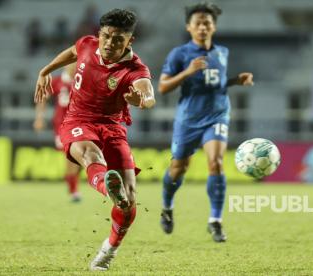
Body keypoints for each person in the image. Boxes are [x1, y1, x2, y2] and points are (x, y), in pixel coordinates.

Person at [33, 9, 155, 270]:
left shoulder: (135, 69)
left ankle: (108, 250)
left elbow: (148, 93)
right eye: (106, 36)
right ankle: (106, 185)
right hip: (77, 121)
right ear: (99, 34)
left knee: (130, 201)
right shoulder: (87, 43)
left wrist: (142, 101)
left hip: (112, 128)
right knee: (89, 155)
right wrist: (46, 69)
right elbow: (72, 52)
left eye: (118, 39)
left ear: (129, 41)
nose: (110, 43)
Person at [158, 2, 254, 243]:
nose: (203, 27)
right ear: (189, 27)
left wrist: (234, 81)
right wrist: (187, 72)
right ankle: (167, 207)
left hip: (218, 115)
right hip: (188, 119)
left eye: (207, 23)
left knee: (216, 162)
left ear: (214, 27)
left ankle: (215, 221)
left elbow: (216, 82)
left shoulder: (222, 52)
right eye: (198, 23)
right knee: (178, 169)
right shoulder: (179, 54)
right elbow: (162, 87)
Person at [33, 63, 82, 202]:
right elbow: (42, 98)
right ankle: (74, 190)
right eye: (71, 65)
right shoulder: (57, 81)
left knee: (77, 159)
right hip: (62, 126)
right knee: (71, 157)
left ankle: (72, 185)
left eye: (76, 65)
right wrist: (39, 118)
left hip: (80, 124)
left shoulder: (82, 81)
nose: (74, 68)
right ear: (66, 67)